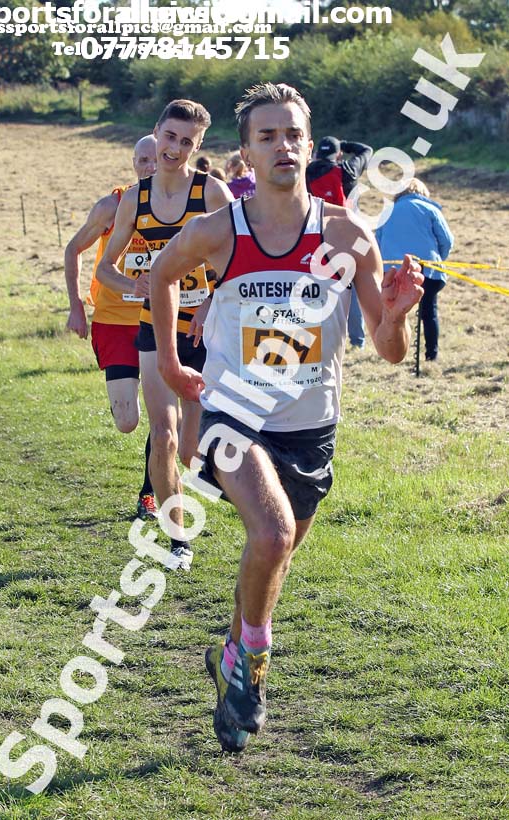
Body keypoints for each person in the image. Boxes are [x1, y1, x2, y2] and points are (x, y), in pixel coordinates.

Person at [148, 82, 423, 752]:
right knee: (269, 536)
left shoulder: (346, 236)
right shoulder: (218, 231)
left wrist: (394, 315)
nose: (283, 146)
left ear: (307, 143)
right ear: (245, 151)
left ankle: (230, 655)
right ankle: (255, 669)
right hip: (231, 416)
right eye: (267, 136)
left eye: (293, 134)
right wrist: (168, 361)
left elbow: (388, 353)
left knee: (273, 557)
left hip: (310, 424)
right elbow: (159, 275)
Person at [97, 99, 233, 569]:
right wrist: (134, 283)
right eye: (169, 137)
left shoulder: (213, 194)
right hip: (154, 328)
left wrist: (212, 301)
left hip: (203, 331)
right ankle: (177, 539)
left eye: (186, 142)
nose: (174, 149)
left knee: (192, 448)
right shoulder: (135, 198)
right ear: (157, 133)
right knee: (165, 436)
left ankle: (198, 491)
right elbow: (105, 267)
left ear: (198, 147)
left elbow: (241, 263)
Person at [65, 134, 158, 520]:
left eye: (156, 160)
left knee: (165, 417)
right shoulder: (113, 206)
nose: (150, 167)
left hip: (159, 320)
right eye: (143, 160)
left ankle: (149, 494)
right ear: (134, 163)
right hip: (113, 321)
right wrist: (75, 307)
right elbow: (73, 249)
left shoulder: (186, 207)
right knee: (127, 422)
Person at [306, 136, 373, 350]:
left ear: (316, 153)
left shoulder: (304, 173)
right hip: (350, 237)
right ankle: (357, 340)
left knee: (318, 287)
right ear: (338, 154)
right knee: (351, 286)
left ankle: (321, 332)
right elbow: (367, 149)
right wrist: (345, 144)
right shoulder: (347, 170)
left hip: (314, 237)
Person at [376, 177, 453, 362]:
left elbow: (377, 241)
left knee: (395, 311)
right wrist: (438, 260)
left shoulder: (388, 212)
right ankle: (431, 354)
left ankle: (393, 346)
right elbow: (447, 240)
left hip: (394, 272)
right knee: (429, 310)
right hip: (429, 271)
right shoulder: (430, 209)